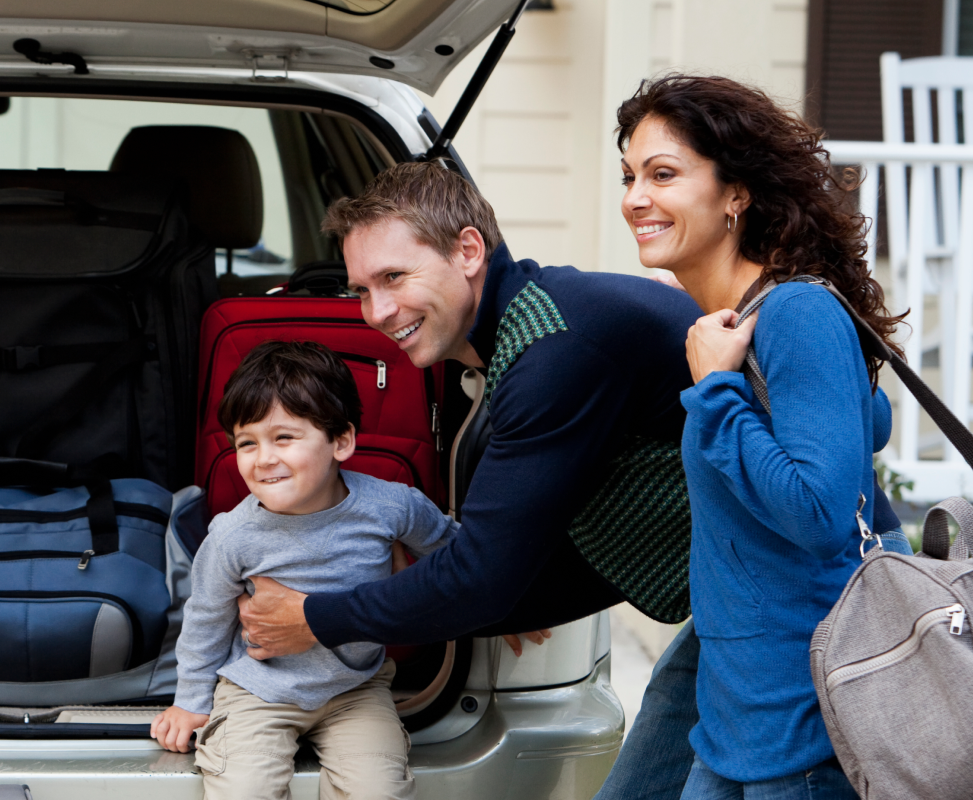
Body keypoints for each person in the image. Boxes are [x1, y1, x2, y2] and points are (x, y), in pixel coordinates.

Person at [236, 161, 705, 664]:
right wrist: (486, 597)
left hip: (781, 596)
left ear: (467, 251)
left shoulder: (555, 352)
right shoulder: (535, 318)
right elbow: (495, 577)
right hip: (739, 586)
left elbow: (481, 581)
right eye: (362, 291)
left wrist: (312, 619)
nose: (377, 312)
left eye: (394, 277)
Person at [616, 74, 907, 799]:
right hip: (738, 718)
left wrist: (715, 394)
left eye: (663, 174)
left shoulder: (795, 314)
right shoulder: (739, 326)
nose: (634, 199)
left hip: (803, 731)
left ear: (735, 193)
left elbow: (817, 513)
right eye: (628, 176)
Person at [150, 340, 458, 800]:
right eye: (246, 443)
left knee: (380, 791)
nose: (263, 458)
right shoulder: (232, 535)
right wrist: (190, 703)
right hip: (258, 689)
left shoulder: (391, 506)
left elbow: (454, 552)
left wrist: (506, 606)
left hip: (357, 688)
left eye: (284, 438)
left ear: (341, 441)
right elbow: (207, 618)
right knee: (244, 790)